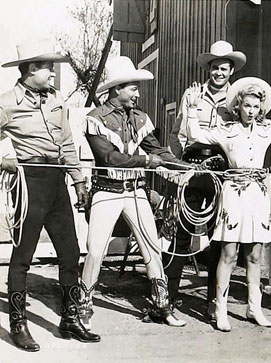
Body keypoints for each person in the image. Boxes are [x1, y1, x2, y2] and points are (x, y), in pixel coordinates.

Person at [0, 38, 100, 351]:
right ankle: (18, 324)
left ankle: (70, 319)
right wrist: (3, 160)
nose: (53, 75)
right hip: (28, 183)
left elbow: (67, 143)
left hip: (57, 182)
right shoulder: (7, 102)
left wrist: (79, 181)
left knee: (70, 252)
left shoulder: (56, 100)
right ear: (31, 69)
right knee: (23, 258)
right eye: (48, 68)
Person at [79, 56, 193, 330]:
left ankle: (161, 306)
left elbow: (158, 151)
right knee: (95, 251)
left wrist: (189, 166)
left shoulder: (140, 117)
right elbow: (109, 159)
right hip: (107, 191)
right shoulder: (94, 119)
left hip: (136, 191)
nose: (138, 93)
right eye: (133, 88)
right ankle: (83, 306)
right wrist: (145, 162)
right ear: (117, 89)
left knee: (152, 248)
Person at [186, 77, 271, 331]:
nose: (251, 111)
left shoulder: (265, 130)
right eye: (247, 106)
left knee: (254, 255)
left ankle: (254, 308)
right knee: (228, 254)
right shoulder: (226, 130)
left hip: (257, 195)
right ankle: (220, 310)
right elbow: (195, 134)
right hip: (233, 193)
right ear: (238, 106)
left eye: (256, 107)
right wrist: (193, 108)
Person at [166, 40, 246, 320]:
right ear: (208, 69)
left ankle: (214, 301)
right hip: (192, 165)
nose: (218, 73)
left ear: (231, 71)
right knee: (180, 233)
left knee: (218, 236)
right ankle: (168, 297)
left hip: (221, 171)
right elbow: (178, 134)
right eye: (214, 68)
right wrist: (176, 168)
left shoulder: (237, 101)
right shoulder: (193, 95)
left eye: (224, 68)